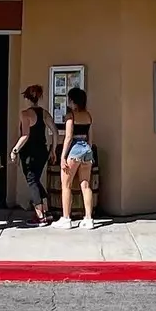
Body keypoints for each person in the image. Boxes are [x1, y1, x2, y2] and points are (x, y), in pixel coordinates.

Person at [9, 84, 58, 226]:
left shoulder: (25, 114)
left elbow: (25, 135)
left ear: (26, 98)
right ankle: (46, 212)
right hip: (42, 151)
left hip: (29, 153)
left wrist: (15, 150)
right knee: (35, 180)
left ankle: (40, 216)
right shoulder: (44, 113)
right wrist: (53, 150)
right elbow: (54, 131)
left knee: (31, 181)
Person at [56, 86, 97, 229]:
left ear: (73, 101)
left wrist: (62, 156)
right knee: (85, 185)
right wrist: (89, 149)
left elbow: (68, 137)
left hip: (74, 150)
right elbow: (90, 138)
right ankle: (89, 218)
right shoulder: (88, 115)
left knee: (66, 185)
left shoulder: (70, 116)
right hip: (87, 149)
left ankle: (66, 218)